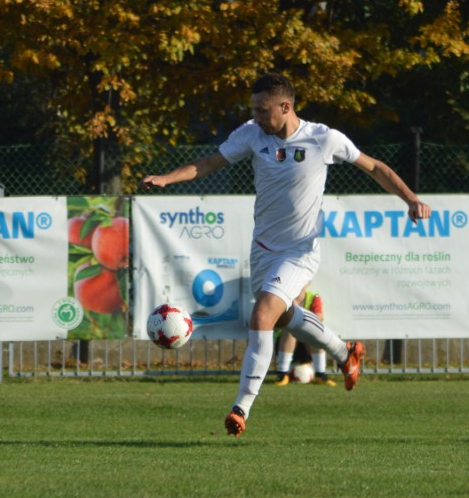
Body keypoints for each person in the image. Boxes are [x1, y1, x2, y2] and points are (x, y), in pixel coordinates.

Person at [140, 73, 431, 437]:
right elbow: (211, 162)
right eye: (254, 110)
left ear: (285, 107)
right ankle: (345, 352)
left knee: (263, 314)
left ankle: (240, 408)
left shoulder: (324, 138)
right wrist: (168, 178)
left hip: (300, 250)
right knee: (282, 316)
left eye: (263, 111)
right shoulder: (251, 134)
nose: (257, 117)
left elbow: (374, 167)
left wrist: (412, 199)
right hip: (263, 248)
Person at [275, 286, 336, 387]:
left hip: (306, 342)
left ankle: (320, 375)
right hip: (284, 341)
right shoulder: (284, 297)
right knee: (292, 327)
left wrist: (302, 321)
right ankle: (282, 374)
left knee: (317, 332)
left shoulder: (313, 297)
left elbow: (319, 317)